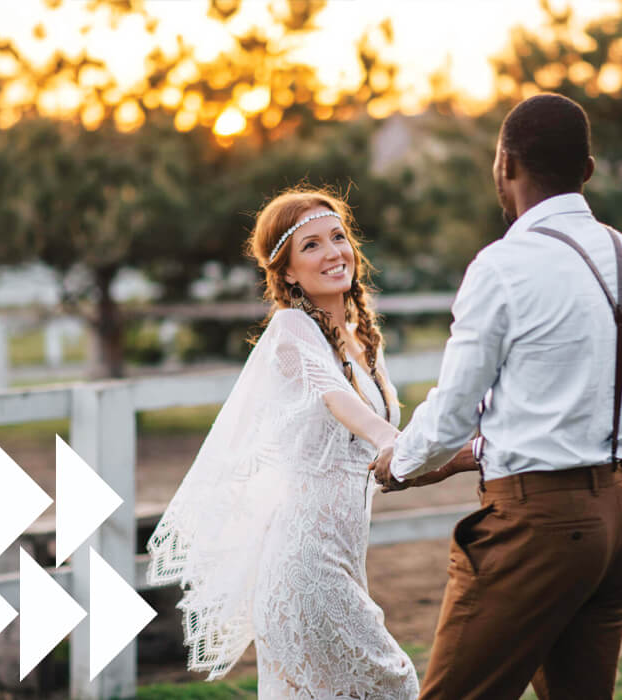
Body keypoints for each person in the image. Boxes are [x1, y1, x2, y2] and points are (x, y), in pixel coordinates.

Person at [372, 92, 622, 699]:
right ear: (587, 172)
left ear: (503, 165)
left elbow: (455, 407)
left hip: (534, 527)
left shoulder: (503, 266)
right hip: (613, 519)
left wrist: (399, 465)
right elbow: (566, 398)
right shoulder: (619, 250)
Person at [147, 187, 419, 698]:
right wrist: (392, 440)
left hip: (344, 557)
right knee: (395, 685)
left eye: (338, 237)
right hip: (303, 564)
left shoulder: (364, 339)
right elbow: (334, 395)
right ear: (288, 272)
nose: (333, 252)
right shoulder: (292, 329)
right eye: (311, 245)